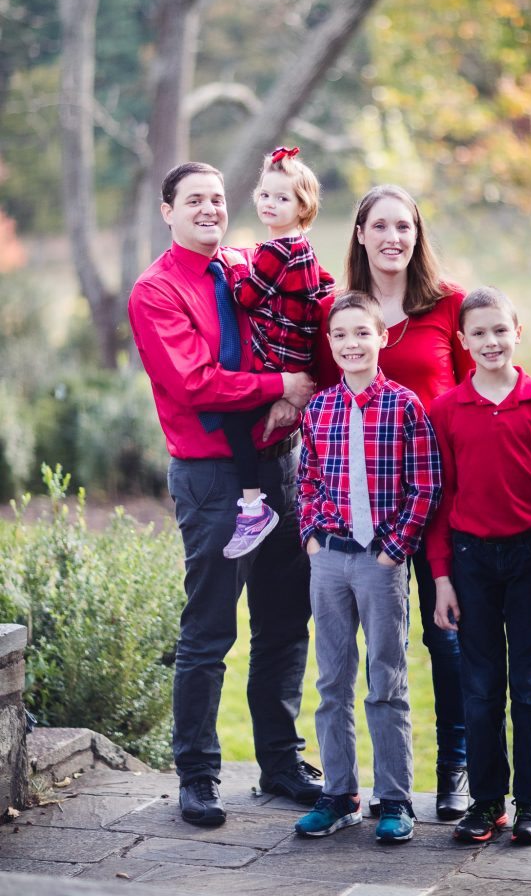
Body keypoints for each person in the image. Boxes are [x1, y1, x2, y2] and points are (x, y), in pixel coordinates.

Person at [128, 161, 323, 829]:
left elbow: (306, 310)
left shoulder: (244, 266)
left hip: (280, 465)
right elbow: (195, 382)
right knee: (209, 628)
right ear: (168, 211)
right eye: (194, 200)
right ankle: (198, 776)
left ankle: (280, 761)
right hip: (212, 479)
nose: (210, 208)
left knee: (284, 619)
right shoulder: (155, 291)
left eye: (216, 198)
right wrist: (280, 388)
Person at [315, 183, 473, 819]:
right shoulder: (341, 313)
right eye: (379, 226)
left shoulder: (448, 306)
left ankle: (455, 769)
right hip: (364, 511)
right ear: (360, 234)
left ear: (417, 234)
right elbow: (328, 415)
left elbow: (476, 392)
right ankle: (345, 785)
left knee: (447, 634)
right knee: (356, 658)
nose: (392, 238)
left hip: (441, 497)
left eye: (403, 226)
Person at [426, 286, 531, 845]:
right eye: (479, 334)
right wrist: (441, 578)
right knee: (481, 687)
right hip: (470, 562)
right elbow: (442, 499)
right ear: (462, 342)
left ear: (518, 333)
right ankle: (487, 803)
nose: (490, 341)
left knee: (530, 690)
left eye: (499, 330)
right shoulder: (447, 409)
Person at [295, 291, 442, 843]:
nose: (351, 344)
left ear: (381, 338)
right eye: (340, 336)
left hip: (380, 562)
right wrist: (312, 537)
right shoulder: (320, 409)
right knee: (332, 679)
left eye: (362, 333)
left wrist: (394, 550)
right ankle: (339, 794)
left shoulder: (405, 407)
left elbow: (425, 486)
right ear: (330, 345)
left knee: (386, 679)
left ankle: (395, 798)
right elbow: (307, 478)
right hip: (329, 559)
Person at [217, 146, 334, 559]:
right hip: (297, 353)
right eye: (265, 195)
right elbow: (325, 285)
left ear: (303, 207)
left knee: (233, 418)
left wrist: (232, 267)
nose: (270, 203)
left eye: (283, 198)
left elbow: (246, 296)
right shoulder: (303, 247)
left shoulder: (273, 251)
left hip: (279, 357)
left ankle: (252, 508)